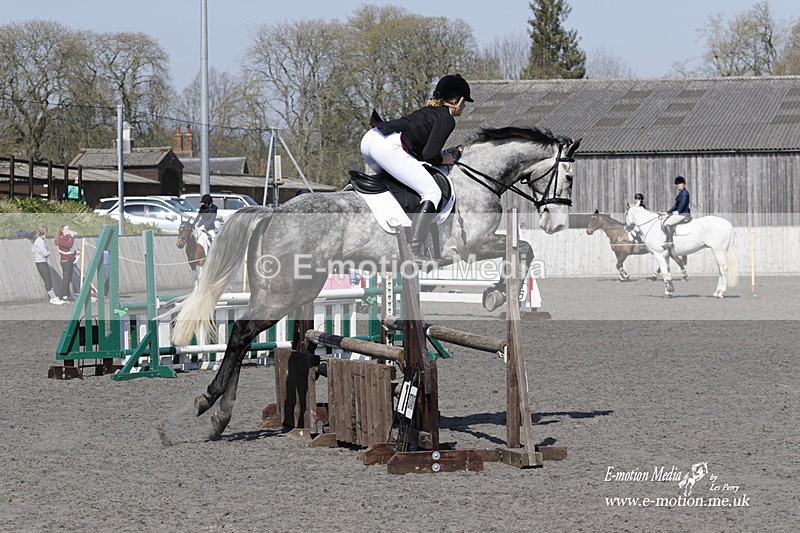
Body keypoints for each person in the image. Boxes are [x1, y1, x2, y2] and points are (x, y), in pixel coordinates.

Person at [360, 74, 473, 261]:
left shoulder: (428, 111)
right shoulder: (447, 119)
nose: (464, 106)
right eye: (464, 102)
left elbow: (422, 152)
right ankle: (415, 249)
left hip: (371, 138)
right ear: (457, 101)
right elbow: (430, 155)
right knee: (432, 193)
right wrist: (445, 159)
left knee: (398, 184)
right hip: (388, 147)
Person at [32, 226, 64, 305]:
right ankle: (52, 298)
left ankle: (53, 297)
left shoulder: (40, 240)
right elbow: (45, 253)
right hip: (41, 263)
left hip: (42, 262)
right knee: (47, 280)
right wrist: (48, 252)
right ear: (46, 232)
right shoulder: (40, 241)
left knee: (48, 280)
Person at [661, 176, 691, 251]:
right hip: (681, 213)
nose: (678, 185)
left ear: (684, 184)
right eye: (677, 184)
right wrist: (668, 212)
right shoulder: (680, 193)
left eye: (680, 183)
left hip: (683, 214)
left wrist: (678, 211)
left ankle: (670, 243)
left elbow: (683, 203)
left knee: (667, 223)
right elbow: (676, 205)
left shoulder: (684, 193)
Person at [54, 224, 80, 300]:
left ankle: (68, 294)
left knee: (70, 278)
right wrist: (72, 237)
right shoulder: (61, 239)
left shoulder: (65, 238)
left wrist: (75, 253)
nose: (69, 230)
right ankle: (63, 295)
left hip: (69, 260)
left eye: (69, 229)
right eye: (67, 229)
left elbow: (68, 250)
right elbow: (68, 245)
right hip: (66, 261)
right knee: (66, 278)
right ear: (62, 231)